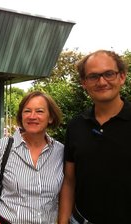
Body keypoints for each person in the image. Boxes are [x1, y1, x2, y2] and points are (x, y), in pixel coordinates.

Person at [58, 50, 130, 224]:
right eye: (93, 76)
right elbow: (69, 181)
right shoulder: (76, 126)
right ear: (84, 83)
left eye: (109, 74)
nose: (102, 81)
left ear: (122, 77)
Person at [0, 91, 64, 224]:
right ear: (21, 116)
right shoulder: (4, 146)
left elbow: (63, 197)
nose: (32, 116)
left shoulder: (60, 151)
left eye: (40, 111)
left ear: (51, 117)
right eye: (27, 111)